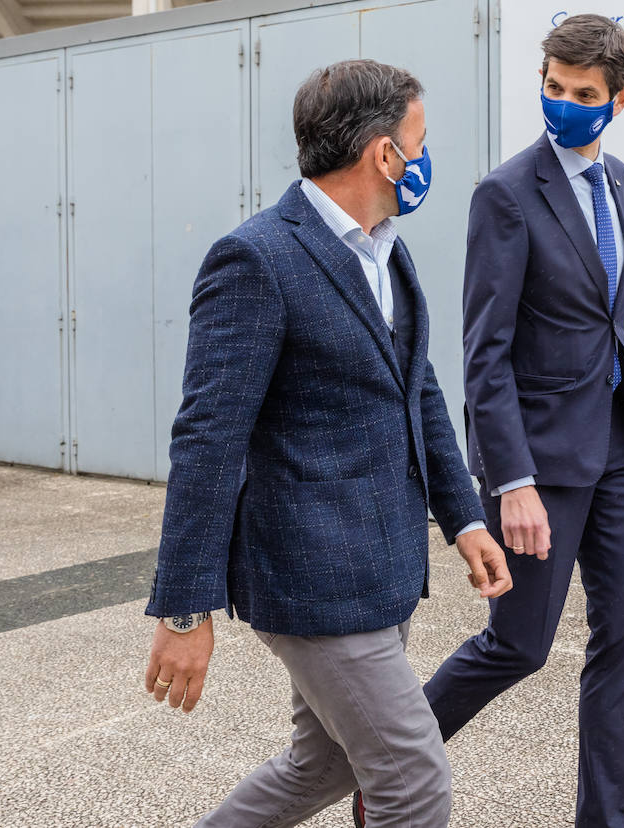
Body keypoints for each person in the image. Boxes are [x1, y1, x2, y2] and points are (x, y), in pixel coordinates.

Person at [143, 59, 511, 828]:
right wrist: (185, 610)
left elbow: (419, 392)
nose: (423, 156)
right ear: (385, 155)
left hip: (380, 570)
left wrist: (465, 516)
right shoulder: (257, 258)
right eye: (419, 141)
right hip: (312, 582)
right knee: (416, 780)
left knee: (325, 764)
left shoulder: (386, 249)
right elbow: (207, 439)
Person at [416, 14, 624, 828]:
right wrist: (510, 480)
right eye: (553, 89)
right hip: (543, 463)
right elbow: (484, 353)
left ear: (618, 99)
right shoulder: (507, 194)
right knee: (517, 645)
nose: (564, 105)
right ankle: (385, 761)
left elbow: (601, 314)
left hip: (622, 445)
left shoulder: (620, 179)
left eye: (584, 94)